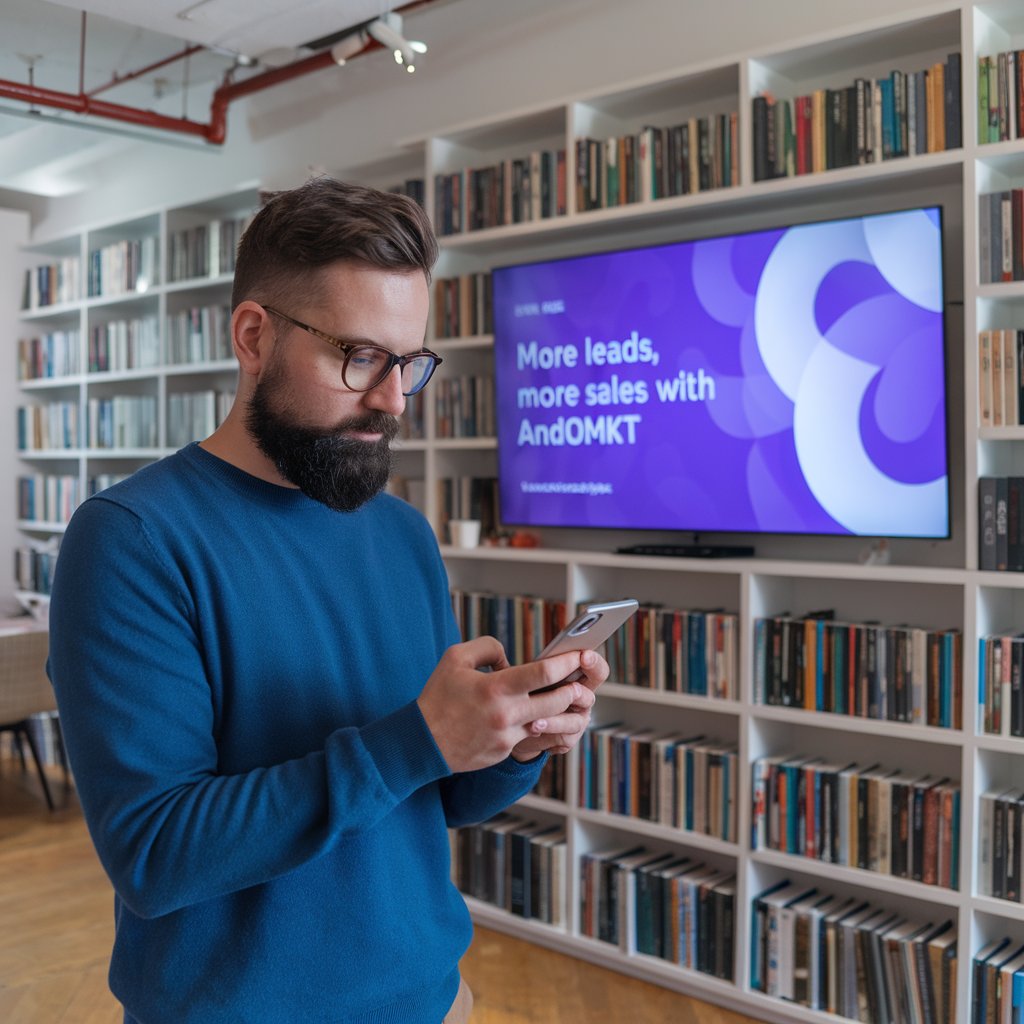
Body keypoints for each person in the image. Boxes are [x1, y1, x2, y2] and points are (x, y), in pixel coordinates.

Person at [47, 177, 608, 1024]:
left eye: (409, 362)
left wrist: (510, 739)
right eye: (359, 356)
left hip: (432, 998)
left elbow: (439, 798)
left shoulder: (404, 536)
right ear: (252, 336)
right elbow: (156, 855)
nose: (390, 399)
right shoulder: (131, 538)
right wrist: (415, 740)